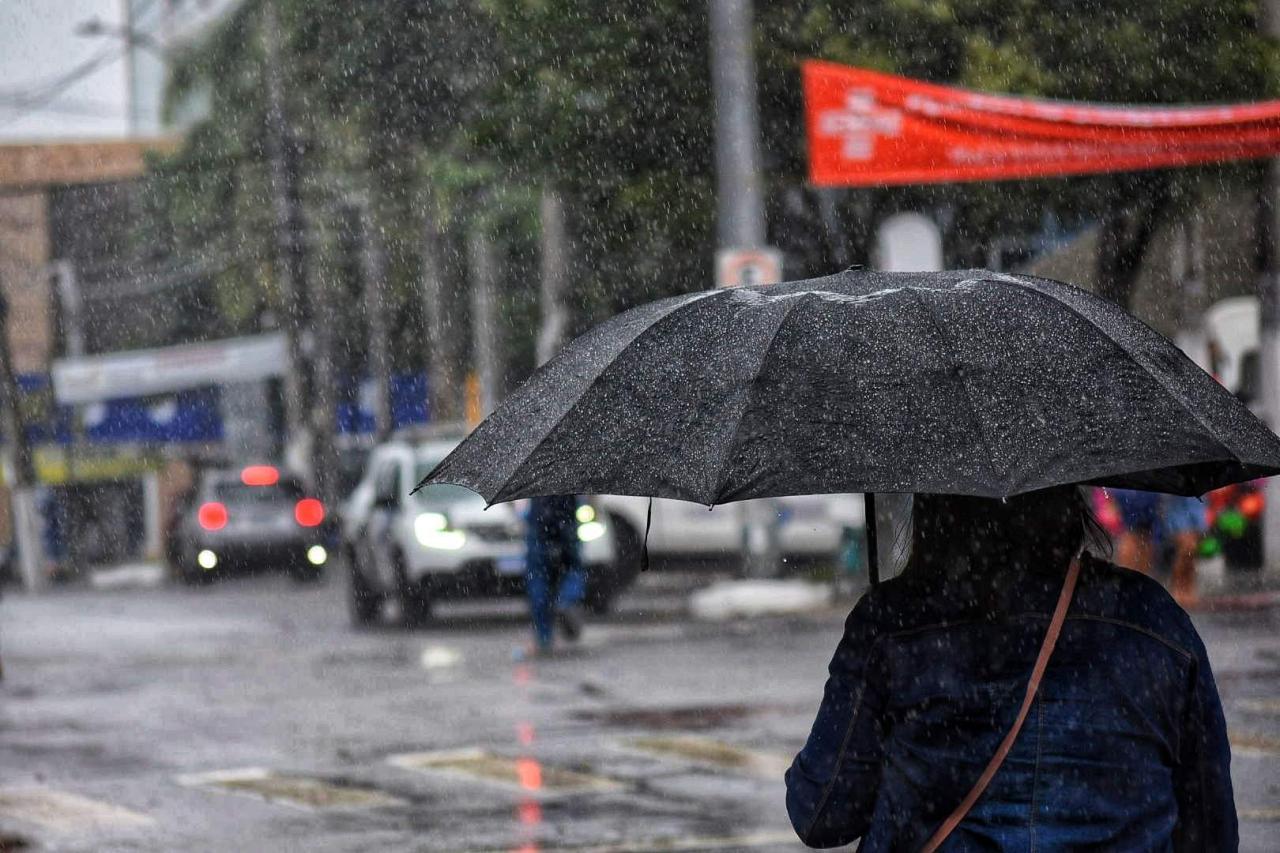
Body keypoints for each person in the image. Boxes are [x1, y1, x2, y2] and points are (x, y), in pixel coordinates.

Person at [786, 486, 1235, 851]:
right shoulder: (1153, 619)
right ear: (1066, 499)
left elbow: (822, 814)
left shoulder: (893, 623)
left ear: (931, 506)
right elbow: (1210, 827)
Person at [524, 495, 587, 655]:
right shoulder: (573, 473)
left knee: (538, 580)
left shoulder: (533, 476)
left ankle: (544, 637)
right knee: (572, 568)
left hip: (539, 531)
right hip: (566, 527)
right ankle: (567, 600)